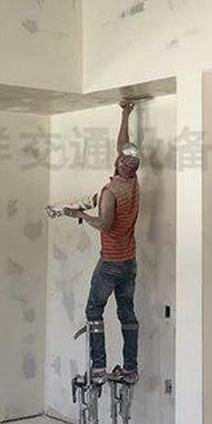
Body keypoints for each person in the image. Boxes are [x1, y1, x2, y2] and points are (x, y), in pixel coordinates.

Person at [64, 101, 141, 385]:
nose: (118, 157)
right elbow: (124, 146)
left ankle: (98, 368)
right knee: (126, 313)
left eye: (120, 158)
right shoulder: (132, 182)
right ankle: (130, 368)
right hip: (129, 261)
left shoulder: (111, 192)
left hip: (110, 262)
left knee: (94, 310)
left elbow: (105, 224)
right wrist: (125, 114)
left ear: (120, 165)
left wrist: (81, 215)